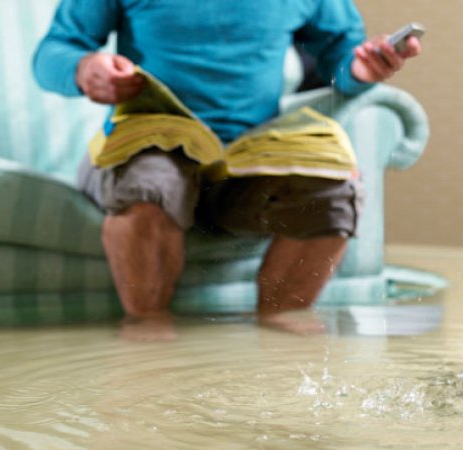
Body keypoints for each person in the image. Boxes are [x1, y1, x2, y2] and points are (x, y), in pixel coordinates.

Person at [33, 0, 421, 336]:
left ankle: (281, 319)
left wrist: (362, 71)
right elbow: (55, 50)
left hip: (250, 156)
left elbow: (341, 59)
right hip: (151, 141)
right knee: (149, 185)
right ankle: (147, 323)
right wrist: (84, 68)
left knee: (334, 194)